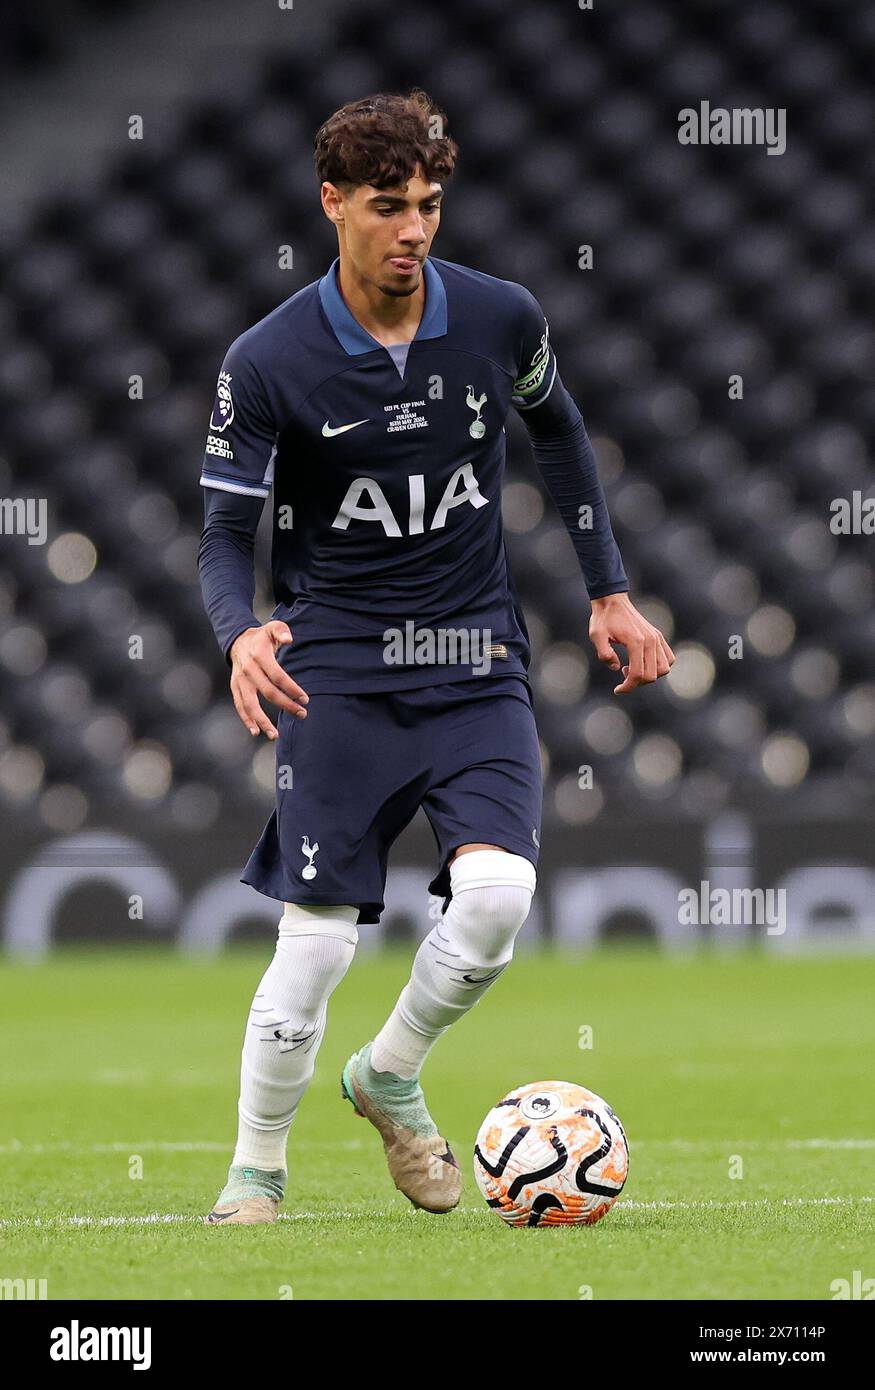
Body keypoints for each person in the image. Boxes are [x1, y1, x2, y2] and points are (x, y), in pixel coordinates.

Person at [198, 89, 674, 1224]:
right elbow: (222, 529)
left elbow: (556, 430)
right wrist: (238, 629)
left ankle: (389, 1071)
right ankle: (254, 1169)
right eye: (387, 207)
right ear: (332, 206)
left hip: (473, 661)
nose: (413, 229)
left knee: (500, 894)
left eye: (427, 205)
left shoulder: (499, 317)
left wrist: (607, 587)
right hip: (341, 674)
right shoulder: (267, 360)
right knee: (311, 956)